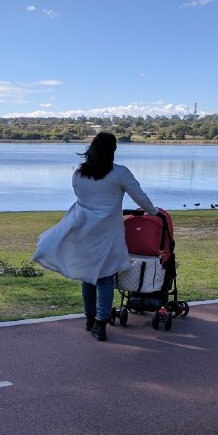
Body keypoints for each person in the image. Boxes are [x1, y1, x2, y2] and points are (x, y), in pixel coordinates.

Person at [31, 132, 159, 341]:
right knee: (105, 277)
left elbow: (80, 197)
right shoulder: (120, 173)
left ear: (91, 148)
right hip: (107, 232)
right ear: (113, 150)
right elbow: (140, 196)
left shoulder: (79, 174)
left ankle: (90, 318)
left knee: (88, 276)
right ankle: (100, 323)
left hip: (83, 229)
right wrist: (154, 212)